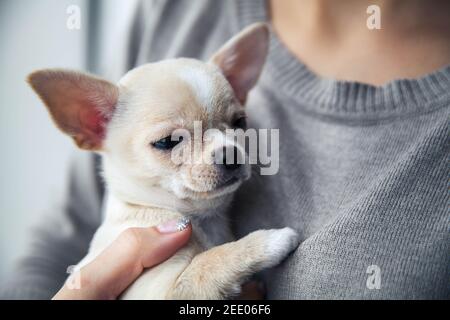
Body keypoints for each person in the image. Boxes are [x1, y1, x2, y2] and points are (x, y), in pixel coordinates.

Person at [1, 0, 449, 299]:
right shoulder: (173, 11)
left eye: (235, 124)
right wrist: (244, 255)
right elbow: (57, 244)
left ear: (239, 85)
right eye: (170, 142)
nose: (225, 150)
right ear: (92, 124)